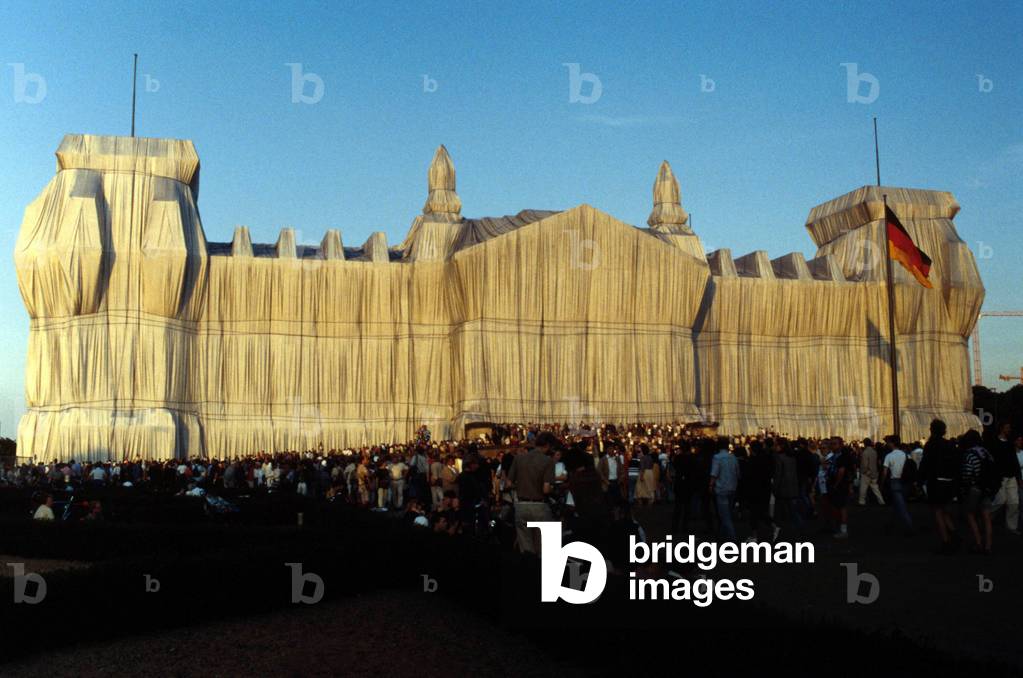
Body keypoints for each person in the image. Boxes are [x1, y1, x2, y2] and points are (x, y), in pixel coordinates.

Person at [507, 432, 556, 554]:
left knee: (526, 549)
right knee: (543, 549)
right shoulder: (548, 461)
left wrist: (521, 486)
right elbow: (546, 489)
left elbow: (508, 483)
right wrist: (554, 488)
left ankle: (528, 565)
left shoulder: (519, 458)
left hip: (521, 506)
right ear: (548, 445)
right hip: (539, 506)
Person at [919, 419, 961, 553]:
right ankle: (954, 533)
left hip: (935, 482)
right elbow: (956, 463)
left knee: (937, 511)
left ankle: (946, 541)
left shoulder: (930, 445)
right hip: (949, 482)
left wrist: (920, 480)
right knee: (945, 510)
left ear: (932, 430)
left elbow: (925, 464)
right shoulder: (949, 444)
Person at [959, 429, 995, 554]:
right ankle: (988, 546)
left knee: (970, 514)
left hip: (974, 488)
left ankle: (978, 542)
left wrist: (964, 485)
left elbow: (967, 473)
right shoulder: (986, 452)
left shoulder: (969, 454)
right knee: (986, 516)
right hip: (987, 488)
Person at [987, 422, 1020, 535]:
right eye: (1007, 428)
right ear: (1001, 429)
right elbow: (992, 461)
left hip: (1011, 476)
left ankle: (1011, 526)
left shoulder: (1010, 443)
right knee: (1000, 500)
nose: (1009, 429)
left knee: (1014, 502)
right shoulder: (994, 442)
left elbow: (1014, 460)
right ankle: (987, 516)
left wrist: (1018, 477)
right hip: (1000, 477)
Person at [881, 435, 914, 535]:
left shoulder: (889, 456)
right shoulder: (906, 455)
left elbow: (885, 472)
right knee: (897, 504)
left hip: (895, 481)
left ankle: (909, 527)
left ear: (892, 443)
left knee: (901, 506)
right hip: (905, 481)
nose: (887, 444)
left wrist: (882, 483)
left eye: (888, 442)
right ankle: (890, 524)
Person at [709, 437, 740, 541]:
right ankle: (721, 535)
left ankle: (733, 537)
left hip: (721, 488)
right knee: (728, 513)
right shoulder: (733, 457)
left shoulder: (717, 457)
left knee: (724, 515)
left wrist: (710, 486)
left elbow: (714, 473)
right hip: (733, 487)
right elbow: (738, 473)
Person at [857, 438, 884, 506]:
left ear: (865, 444)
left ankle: (861, 501)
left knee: (863, 488)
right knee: (875, 488)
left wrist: (864, 471)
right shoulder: (874, 451)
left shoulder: (865, 452)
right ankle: (881, 501)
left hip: (867, 472)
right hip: (874, 472)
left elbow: (864, 464)